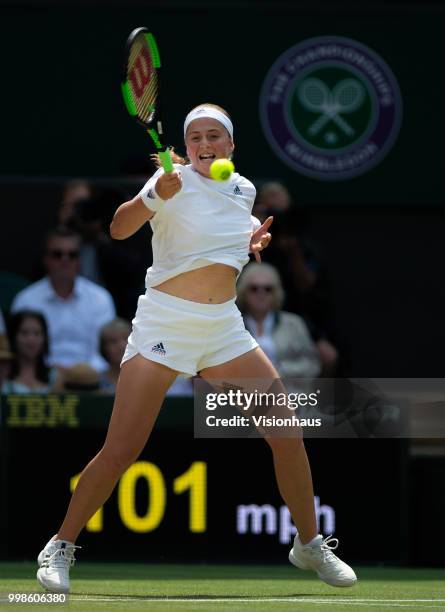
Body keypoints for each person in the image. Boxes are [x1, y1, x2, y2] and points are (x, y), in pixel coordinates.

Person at [36, 103, 356, 593]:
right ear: (185, 146)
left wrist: (253, 239)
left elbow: (226, 231)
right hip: (165, 322)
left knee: (286, 434)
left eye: (215, 136)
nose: (205, 145)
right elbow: (119, 228)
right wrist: (151, 198)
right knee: (122, 449)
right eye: (196, 138)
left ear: (230, 145)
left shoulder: (242, 188)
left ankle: (309, 545)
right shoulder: (169, 181)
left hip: (223, 328)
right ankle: (59, 546)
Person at [254, 181, 338, 376]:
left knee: (328, 356)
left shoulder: (303, 244)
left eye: (279, 199)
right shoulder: (252, 235)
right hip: (254, 314)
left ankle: (317, 404)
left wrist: (293, 250)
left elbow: (306, 284)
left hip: (299, 314)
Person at [11, 226, 116, 373]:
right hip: (42, 381)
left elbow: (107, 350)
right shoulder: (26, 300)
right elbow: (21, 355)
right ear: (45, 259)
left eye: (72, 254)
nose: (65, 260)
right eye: (57, 254)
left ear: (79, 260)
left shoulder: (101, 298)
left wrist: (80, 373)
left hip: (91, 380)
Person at [237, 262, 321, 379]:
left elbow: (313, 364)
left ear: (276, 293)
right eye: (254, 288)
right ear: (243, 292)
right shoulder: (233, 326)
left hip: (289, 392)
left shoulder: (293, 323)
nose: (261, 294)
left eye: (268, 289)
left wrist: (280, 370)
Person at [98, 318, 132, 393]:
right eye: (113, 341)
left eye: (127, 339)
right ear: (104, 348)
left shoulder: (148, 380)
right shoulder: (95, 382)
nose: (122, 346)